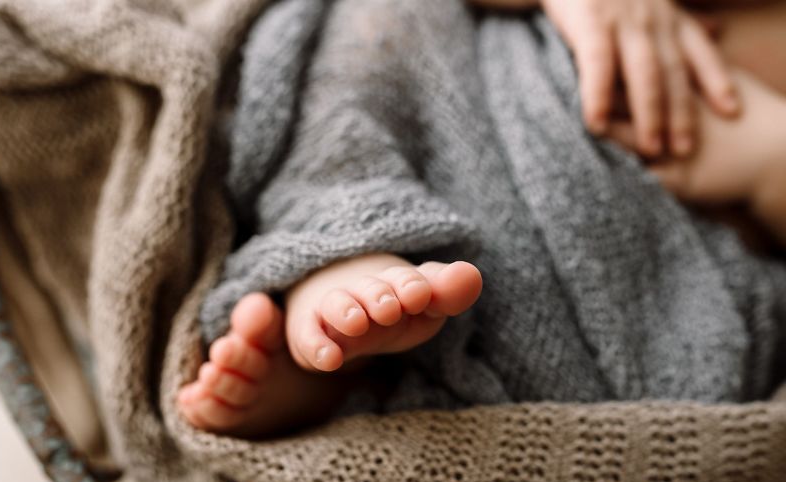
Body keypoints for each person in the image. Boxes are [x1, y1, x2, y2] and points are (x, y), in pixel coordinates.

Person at [178, 0, 786, 437]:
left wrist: (770, 159)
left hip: (666, 270)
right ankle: (342, 251)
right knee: (382, 27)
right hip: (471, 80)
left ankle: (334, 366)